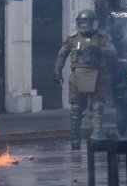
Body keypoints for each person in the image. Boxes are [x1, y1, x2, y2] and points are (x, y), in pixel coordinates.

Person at [53, 9, 116, 150]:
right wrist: (57, 72)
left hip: (98, 74)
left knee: (98, 107)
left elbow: (113, 52)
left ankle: (96, 138)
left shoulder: (101, 37)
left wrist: (100, 50)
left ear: (94, 23)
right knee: (76, 108)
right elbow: (62, 54)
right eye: (81, 23)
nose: (84, 25)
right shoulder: (73, 38)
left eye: (87, 23)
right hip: (77, 74)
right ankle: (75, 140)